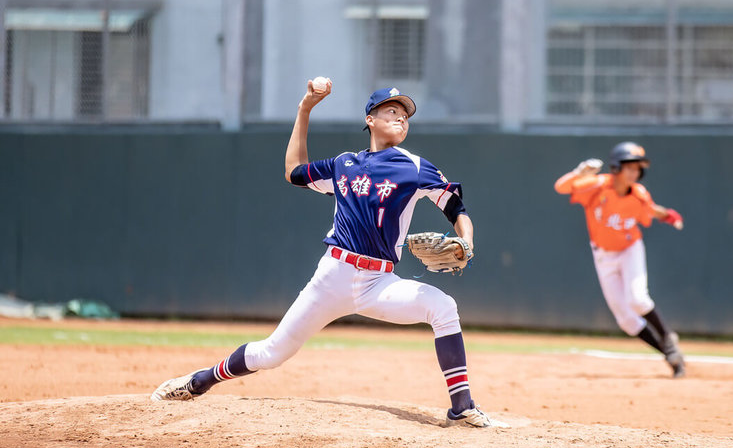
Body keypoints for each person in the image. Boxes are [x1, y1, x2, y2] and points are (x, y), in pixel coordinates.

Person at [151, 80, 505, 428]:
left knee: (443, 307)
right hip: (333, 277)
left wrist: (466, 242)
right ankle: (199, 381)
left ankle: (461, 408)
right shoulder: (344, 165)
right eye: (392, 111)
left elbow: (456, 208)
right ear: (370, 119)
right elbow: (294, 172)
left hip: (380, 283)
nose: (401, 119)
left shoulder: (414, 166)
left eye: (405, 116)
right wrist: (305, 108)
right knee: (271, 353)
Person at [554, 142, 687, 377]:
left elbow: (652, 210)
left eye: (638, 168)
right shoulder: (597, 185)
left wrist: (669, 216)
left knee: (638, 299)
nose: (635, 173)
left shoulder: (638, 194)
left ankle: (667, 336)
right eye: (630, 167)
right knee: (626, 321)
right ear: (616, 167)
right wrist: (579, 173)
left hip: (629, 249)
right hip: (603, 256)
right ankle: (671, 355)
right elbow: (561, 187)